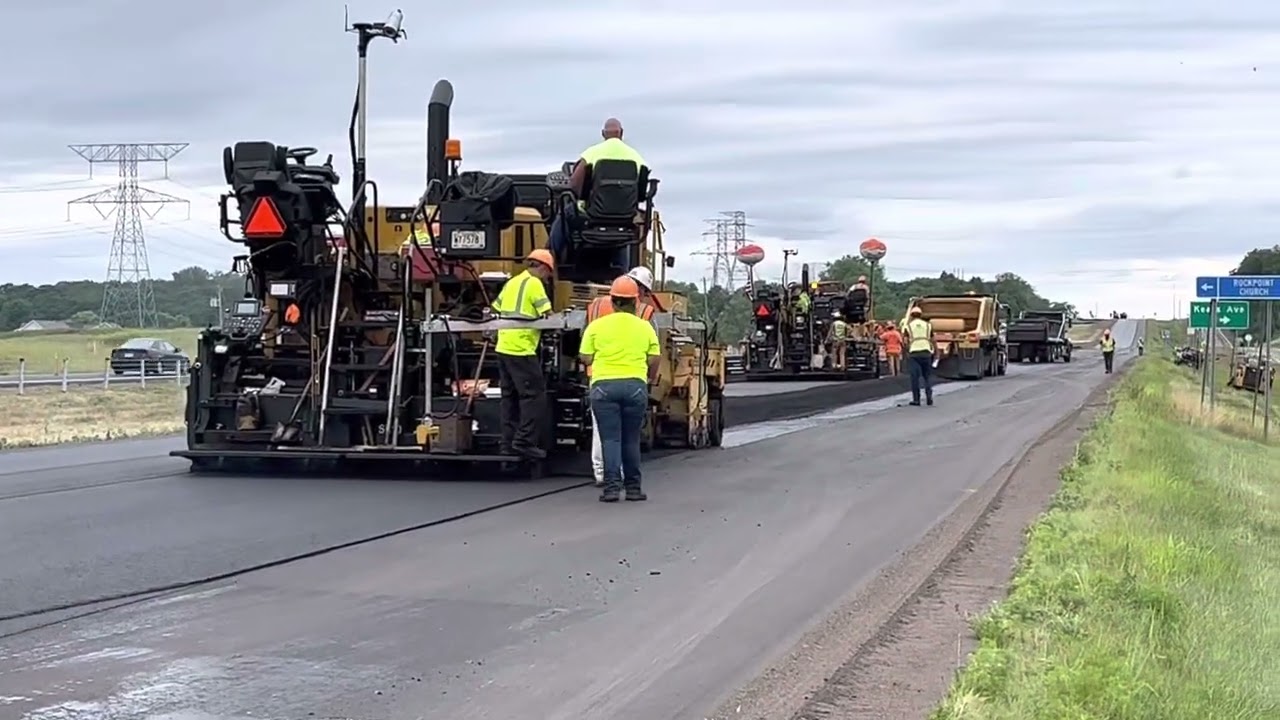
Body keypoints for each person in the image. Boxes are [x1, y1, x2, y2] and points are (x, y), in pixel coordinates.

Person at [579, 276, 662, 502]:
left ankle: (612, 489)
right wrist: (648, 378)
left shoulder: (596, 326)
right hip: (635, 386)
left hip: (604, 387)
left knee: (610, 440)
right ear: (635, 302)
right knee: (631, 439)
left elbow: (585, 357)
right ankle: (633, 489)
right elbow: (654, 358)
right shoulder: (644, 327)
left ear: (613, 301)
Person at [548, 118, 646, 268]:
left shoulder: (593, 153)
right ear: (621, 133)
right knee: (621, 234)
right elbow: (642, 191)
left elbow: (574, 184)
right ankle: (622, 271)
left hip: (592, 216)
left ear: (603, 134)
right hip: (625, 218)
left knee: (565, 213)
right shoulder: (636, 157)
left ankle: (550, 257)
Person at [491, 249, 556, 459]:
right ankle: (525, 441)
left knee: (509, 398)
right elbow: (548, 315)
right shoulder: (534, 284)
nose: (547, 278)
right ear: (543, 268)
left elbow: (496, 308)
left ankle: (507, 444)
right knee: (534, 396)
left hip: (503, 347)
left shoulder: (512, 282)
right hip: (522, 349)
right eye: (548, 273)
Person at [903, 306, 935, 406]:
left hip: (914, 353)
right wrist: (936, 351)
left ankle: (916, 400)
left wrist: (906, 351)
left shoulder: (908, 326)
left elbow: (905, 341)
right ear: (921, 315)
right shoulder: (928, 325)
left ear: (912, 316)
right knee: (927, 376)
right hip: (926, 352)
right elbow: (933, 339)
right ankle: (929, 398)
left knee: (915, 378)